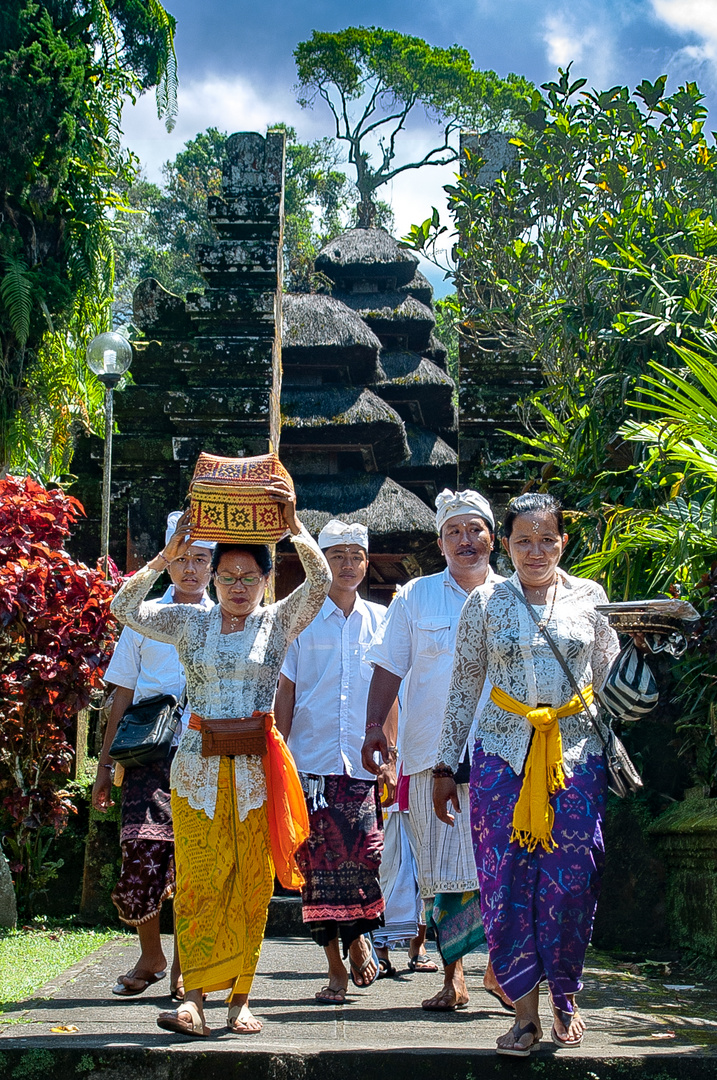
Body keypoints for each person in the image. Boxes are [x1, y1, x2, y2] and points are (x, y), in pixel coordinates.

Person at [110, 480, 331, 1038]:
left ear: (265, 580)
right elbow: (122, 606)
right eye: (226, 576)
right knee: (201, 879)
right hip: (196, 767)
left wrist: (293, 524)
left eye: (248, 577)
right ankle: (195, 1001)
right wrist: (165, 558)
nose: (237, 586)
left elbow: (322, 580)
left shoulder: (277, 621)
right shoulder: (189, 622)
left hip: (257, 769)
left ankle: (240, 1000)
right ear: (211, 576)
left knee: (251, 881)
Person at [433, 492, 623, 1056]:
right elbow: (465, 685)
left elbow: (610, 680)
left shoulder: (592, 600)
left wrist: (641, 649)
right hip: (501, 757)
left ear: (564, 541)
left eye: (547, 540)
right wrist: (445, 764)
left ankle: (566, 995)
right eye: (523, 541)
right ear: (505, 545)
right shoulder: (486, 603)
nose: (535, 551)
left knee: (573, 878)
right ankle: (525, 1014)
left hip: (575, 757)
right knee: (506, 882)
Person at [362, 489, 509, 1012]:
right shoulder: (414, 597)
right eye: (454, 532)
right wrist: (374, 726)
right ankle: (455, 978)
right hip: (427, 755)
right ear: (440, 540)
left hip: (503, 752)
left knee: (501, 864)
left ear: (493, 537)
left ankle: (500, 970)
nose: (465, 541)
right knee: (440, 871)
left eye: (475, 530)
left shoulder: (515, 597)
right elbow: (388, 665)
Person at [92, 514, 214, 999]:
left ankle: (184, 968)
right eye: (181, 558)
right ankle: (151, 953)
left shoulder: (227, 616)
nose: (191, 569)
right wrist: (105, 766)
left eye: (201, 559)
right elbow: (120, 695)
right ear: (166, 561)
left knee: (194, 860)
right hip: (146, 754)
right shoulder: (143, 616)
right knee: (140, 849)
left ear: (213, 565)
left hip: (205, 754)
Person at [275, 519, 392, 1003]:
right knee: (318, 870)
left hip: (364, 764)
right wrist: (276, 753)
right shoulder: (297, 620)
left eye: (356, 556)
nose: (348, 565)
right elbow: (286, 691)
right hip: (312, 762)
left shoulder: (384, 619)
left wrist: (390, 751)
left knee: (366, 858)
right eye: (336, 556)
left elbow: (391, 694)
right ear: (319, 563)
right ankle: (334, 968)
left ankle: (361, 936)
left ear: (366, 563)